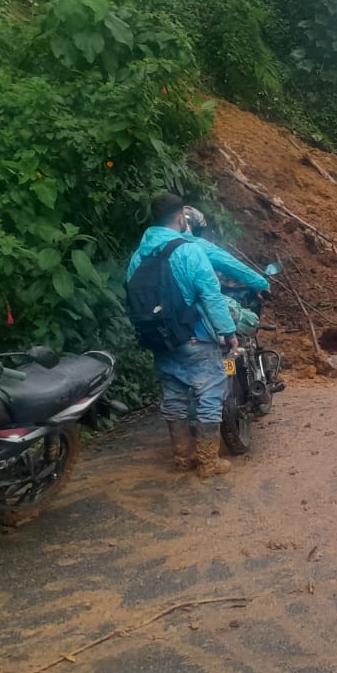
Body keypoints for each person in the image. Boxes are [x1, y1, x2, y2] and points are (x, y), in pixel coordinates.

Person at [128, 194, 239, 478]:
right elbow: (211, 295)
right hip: (195, 338)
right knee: (209, 395)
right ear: (181, 218)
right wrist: (228, 332)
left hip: (160, 340)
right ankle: (208, 462)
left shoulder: (139, 255)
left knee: (174, 397)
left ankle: (182, 457)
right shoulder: (189, 251)